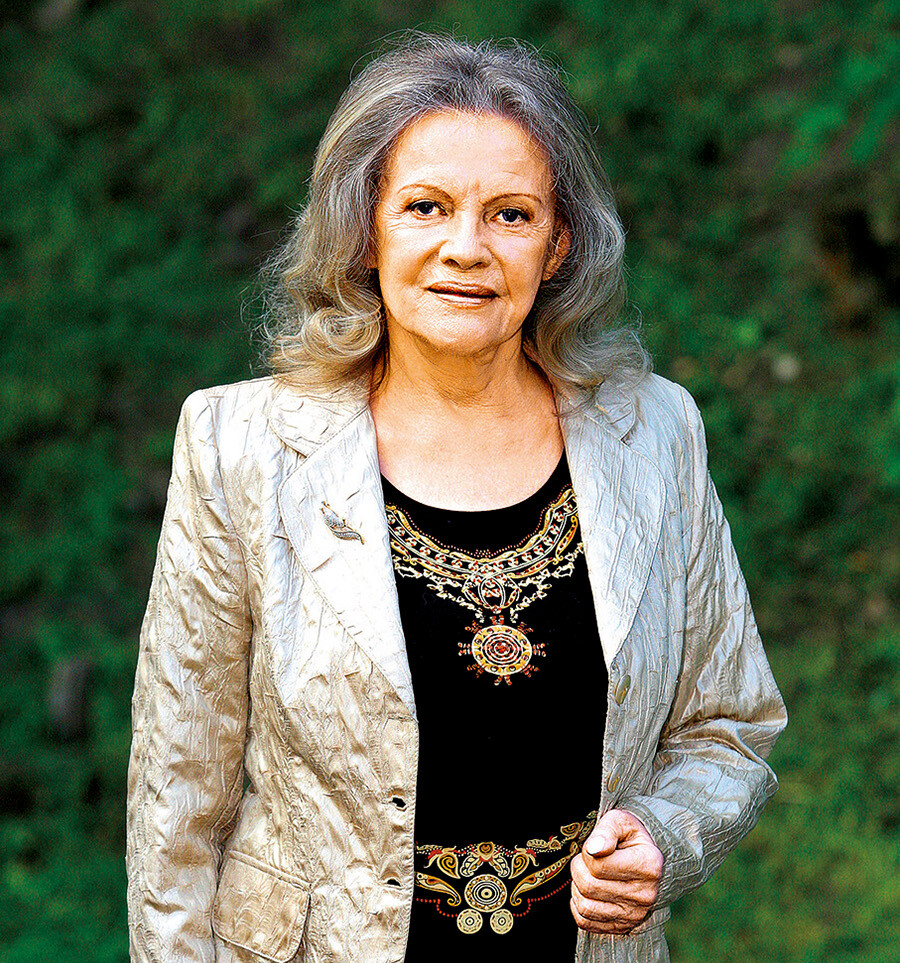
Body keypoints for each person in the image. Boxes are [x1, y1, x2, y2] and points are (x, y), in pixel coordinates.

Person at [126, 34, 787, 963]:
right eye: (425, 206)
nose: (466, 249)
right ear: (366, 230)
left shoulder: (654, 433)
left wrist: (666, 836)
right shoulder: (240, 447)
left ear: (558, 245)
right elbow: (177, 798)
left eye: (511, 214)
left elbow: (729, 724)